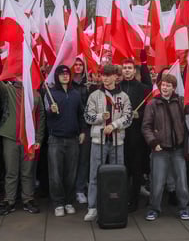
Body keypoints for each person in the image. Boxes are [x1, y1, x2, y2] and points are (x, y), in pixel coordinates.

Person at [0, 55, 46, 216]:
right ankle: (9, 200)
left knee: (27, 172)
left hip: (29, 140)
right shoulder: (8, 89)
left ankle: (28, 199)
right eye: (20, 74)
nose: (22, 77)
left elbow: (41, 117)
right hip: (11, 137)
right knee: (11, 171)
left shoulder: (36, 94)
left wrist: (38, 139)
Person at [84, 63, 132, 222]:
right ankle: (92, 207)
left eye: (108, 75)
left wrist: (114, 125)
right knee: (94, 174)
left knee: (117, 175)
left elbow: (128, 117)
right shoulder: (94, 95)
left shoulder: (123, 97)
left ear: (115, 77)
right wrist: (100, 117)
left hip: (117, 142)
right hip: (98, 141)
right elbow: (87, 117)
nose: (105, 78)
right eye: (103, 75)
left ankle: (116, 205)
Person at [143, 73, 189, 221]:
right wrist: (153, 142)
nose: (165, 88)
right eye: (163, 85)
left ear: (174, 88)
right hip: (160, 149)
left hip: (178, 149)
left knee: (182, 181)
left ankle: (184, 208)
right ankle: (154, 209)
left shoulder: (180, 101)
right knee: (157, 182)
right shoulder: (153, 104)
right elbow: (146, 127)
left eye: (168, 85)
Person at [44, 64, 85, 217]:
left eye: (67, 73)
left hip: (73, 139)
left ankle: (69, 202)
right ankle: (58, 203)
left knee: (71, 174)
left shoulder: (75, 94)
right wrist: (51, 110)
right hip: (56, 139)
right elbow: (45, 112)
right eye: (62, 74)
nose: (65, 76)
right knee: (55, 174)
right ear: (57, 76)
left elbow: (81, 114)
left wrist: (82, 131)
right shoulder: (50, 93)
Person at [119, 57, 152, 212]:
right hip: (120, 134)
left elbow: (150, 108)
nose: (127, 70)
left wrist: (141, 114)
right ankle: (122, 198)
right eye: (125, 68)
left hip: (137, 135)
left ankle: (134, 201)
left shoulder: (143, 88)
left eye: (129, 68)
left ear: (134, 71)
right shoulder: (117, 87)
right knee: (123, 168)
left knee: (137, 169)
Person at [71, 58, 92, 205]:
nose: (78, 67)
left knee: (84, 160)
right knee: (71, 161)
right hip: (71, 127)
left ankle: (80, 189)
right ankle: (70, 189)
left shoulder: (88, 85)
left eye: (80, 65)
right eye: (75, 65)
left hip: (86, 127)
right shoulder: (67, 85)